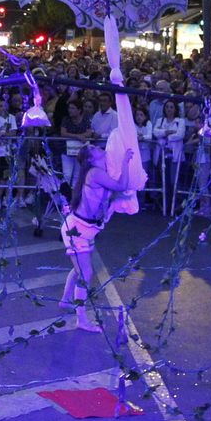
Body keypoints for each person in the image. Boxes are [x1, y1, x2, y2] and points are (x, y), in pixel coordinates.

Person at [58, 142, 133, 333]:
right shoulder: (95, 173)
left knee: (79, 270)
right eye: (95, 149)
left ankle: (65, 300)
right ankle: (81, 319)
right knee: (85, 274)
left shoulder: (97, 172)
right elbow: (121, 185)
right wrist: (125, 161)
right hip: (77, 231)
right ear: (91, 158)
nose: (100, 148)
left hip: (83, 229)